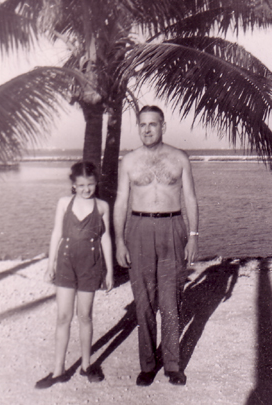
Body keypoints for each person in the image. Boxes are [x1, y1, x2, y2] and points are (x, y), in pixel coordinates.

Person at [114, 105, 198, 387]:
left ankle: (173, 365)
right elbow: (121, 202)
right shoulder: (129, 161)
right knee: (144, 301)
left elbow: (190, 198)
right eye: (142, 124)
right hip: (138, 228)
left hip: (172, 227)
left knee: (171, 300)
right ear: (138, 127)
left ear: (163, 125)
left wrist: (194, 236)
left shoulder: (179, 158)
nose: (147, 129)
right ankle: (148, 364)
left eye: (153, 124)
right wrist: (119, 241)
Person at [36, 161, 114, 389]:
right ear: (73, 185)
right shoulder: (63, 203)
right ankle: (58, 370)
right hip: (66, 263)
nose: (86, 189)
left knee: (85, 316)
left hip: (91, 265)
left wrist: (109, 270)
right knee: (63, 317)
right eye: (80, 185)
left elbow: (106, 238)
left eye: (90, 184)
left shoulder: (102, 206)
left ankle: (86, 366)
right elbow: (56, 233)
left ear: (96, 182)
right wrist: (50, 264)